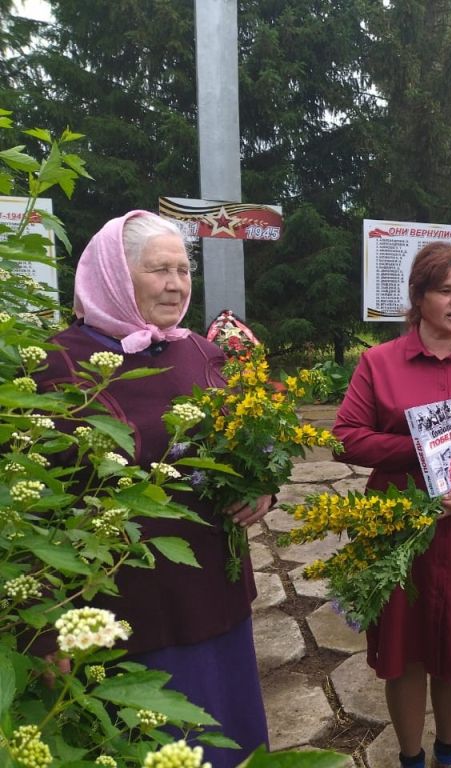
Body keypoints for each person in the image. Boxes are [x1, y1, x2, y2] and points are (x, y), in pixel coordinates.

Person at [35, 211, 271, 767]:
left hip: (217, 596)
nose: (175, 284)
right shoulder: (58, 365)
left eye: (183, 270)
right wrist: (43, 628)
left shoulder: (200, 351)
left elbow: (247, 443)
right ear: (115, 275)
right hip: (126, 610)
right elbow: (34, 506)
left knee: (230, 740)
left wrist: (260, 488)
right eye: (159, 270)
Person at [333, 241, 451, 768]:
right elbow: (345, 436)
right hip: (398, 522)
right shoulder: (379, 363)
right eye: (445, 290)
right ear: (418, 297)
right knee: (405, 647)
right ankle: (411, 757)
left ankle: (448, 753)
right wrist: (419, 445)